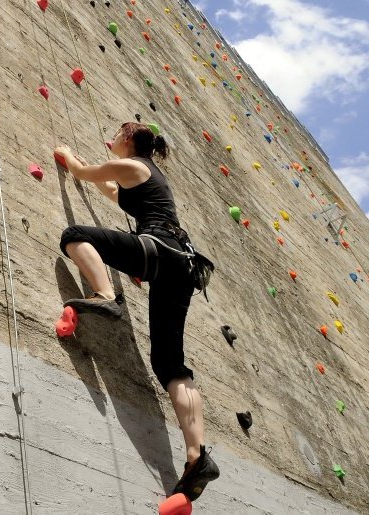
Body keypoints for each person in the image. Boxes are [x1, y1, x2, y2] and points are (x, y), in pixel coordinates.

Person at [54, 122, 219, 502]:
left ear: (127, 139)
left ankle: (105, 294)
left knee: (74, 235)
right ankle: (197, 457)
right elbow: (110, 191)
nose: (110, 140)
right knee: (170, 365)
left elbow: (84, 171)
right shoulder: (145, 176)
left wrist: (67, 155)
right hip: (183, 264)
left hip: (157, 248)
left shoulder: (133, 165)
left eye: (115, 136)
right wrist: (89, 175)